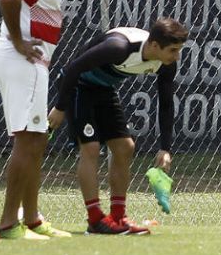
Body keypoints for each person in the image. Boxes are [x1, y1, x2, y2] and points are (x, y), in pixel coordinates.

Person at [46, 18, 189, 235]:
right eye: (173, 50)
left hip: (104, 89)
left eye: (179, 50)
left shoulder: (166, 64)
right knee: (91, 148)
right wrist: (60, 107)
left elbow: (166, 102)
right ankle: (95, 221)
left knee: (125, 147)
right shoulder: (119, 48)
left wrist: (165, 148)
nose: (177, 56)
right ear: (154, 46)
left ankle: (118, 218)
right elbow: (73, 68)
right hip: (78, 87)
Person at [0, 0, 79, 240]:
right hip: (23, 61)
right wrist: (18, 41)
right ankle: (8, 224)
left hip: (31, 63)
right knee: (27, 142)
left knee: (36, 140)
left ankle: (32, 219)